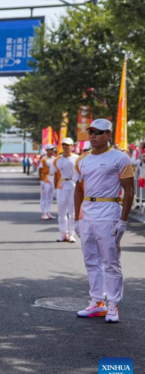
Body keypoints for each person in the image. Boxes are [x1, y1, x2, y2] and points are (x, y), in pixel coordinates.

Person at [74, 119, 134, 323]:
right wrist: (76, 218)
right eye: (91, 131)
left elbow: (129, 191)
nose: (93, 135)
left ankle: (113, 305)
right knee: (91, 261)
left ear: (109, 135)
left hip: (108, 212)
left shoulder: (120, 158)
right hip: (87, 213)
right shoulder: (82, 159)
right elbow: (78, 189)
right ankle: (96, 302)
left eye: (98, 132)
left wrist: (123, 221)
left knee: (110, 262)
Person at [53, 138, 79, 242]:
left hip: (73, 185)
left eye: (68, 145)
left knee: (72, 213)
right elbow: (55, 174)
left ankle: (71, 234)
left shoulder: (77, 158)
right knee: (61, 212)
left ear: (72, 146)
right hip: (61, 186)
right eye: (64, 144)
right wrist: (55, 188)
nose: (65, 146)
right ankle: (64, 234)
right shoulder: (57, 159)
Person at [39, 145, 56, 220]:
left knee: (51, 196)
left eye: (52, 149)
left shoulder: (54, 159)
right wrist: (41, 179)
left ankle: (48, 211)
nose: (51, 151)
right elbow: (40, 169)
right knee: (44, 196)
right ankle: (44, 213)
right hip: (45, 178)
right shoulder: (44, 159)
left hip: (53, 177)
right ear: (47, 150)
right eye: (50, 149)